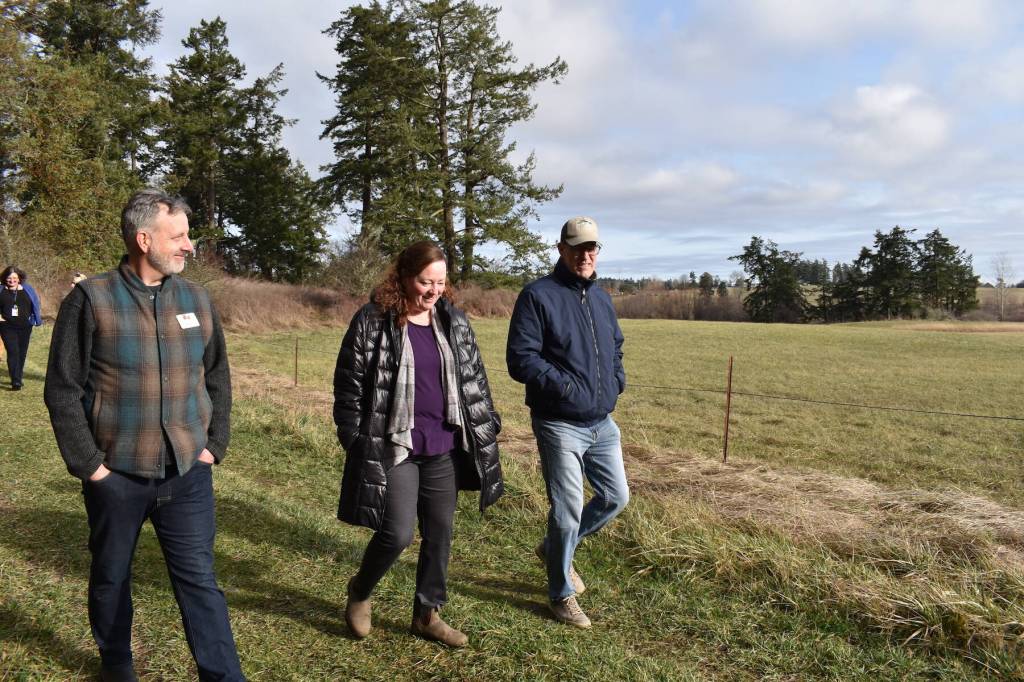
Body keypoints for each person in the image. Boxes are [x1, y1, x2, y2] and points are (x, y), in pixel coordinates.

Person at [43, 189, 245, 682]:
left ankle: (224, 676)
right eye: (178, 236)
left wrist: (212, 446)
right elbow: (62, 389)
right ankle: (117, 666)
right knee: (112, 576)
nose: (189, 245)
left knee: (200, 580)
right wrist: (91, 467)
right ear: (143, 238)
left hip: (187, 472)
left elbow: (216, 375)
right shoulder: (91, 299)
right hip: (117, 475)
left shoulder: (197, 298)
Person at [334, 240, 503, 647]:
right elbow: (348, 385)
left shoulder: (454, 322)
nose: (433, 291)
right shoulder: (373, 320)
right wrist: (356, 437)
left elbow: (474, 379)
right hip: (395, 445)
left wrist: (488, 420)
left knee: (441, 532)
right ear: (406, 277)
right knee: (396, 533)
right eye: (426, 282)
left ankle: (427, 614)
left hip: (443, 443)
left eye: (441, 283)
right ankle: (360, 590)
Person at [506, 216, 629, 629]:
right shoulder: (538, 296)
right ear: (561, 249)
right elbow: (521, 358)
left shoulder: (601, 297)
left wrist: (616, 381)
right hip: (559, 422)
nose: (586, 255)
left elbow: (615, 345)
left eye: (592, 248)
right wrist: (567, 389)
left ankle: (555, 549)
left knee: (615, 497)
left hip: (601, 421)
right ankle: (560, 593)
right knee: (567, 510)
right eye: (577, 248)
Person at [0, 265, 43, 390]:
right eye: (9, 278)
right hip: (6, 326)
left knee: (22, 353)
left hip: (25, 326)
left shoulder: (28, 289)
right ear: (4, 279)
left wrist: (35, 319)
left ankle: (18, 376)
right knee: (13, 351)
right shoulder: (1, 290)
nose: (12, 280)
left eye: (14, 278)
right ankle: (16, 381)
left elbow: (35, 304)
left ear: (19, 278)